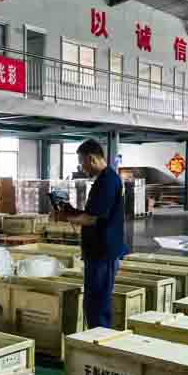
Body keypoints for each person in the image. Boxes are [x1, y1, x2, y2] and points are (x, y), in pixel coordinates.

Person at [61, 139, 129, 329]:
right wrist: (71, 211)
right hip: (98, 251)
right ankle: (96, 336)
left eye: (81, 162)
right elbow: (93, 213)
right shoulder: (104, 180)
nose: (81, 168)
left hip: (102, 252)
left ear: (91, 158)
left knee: (97, 303)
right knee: (94, 301)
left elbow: (91, 219)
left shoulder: (107, 181)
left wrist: (65, 217)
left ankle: (99, 339)